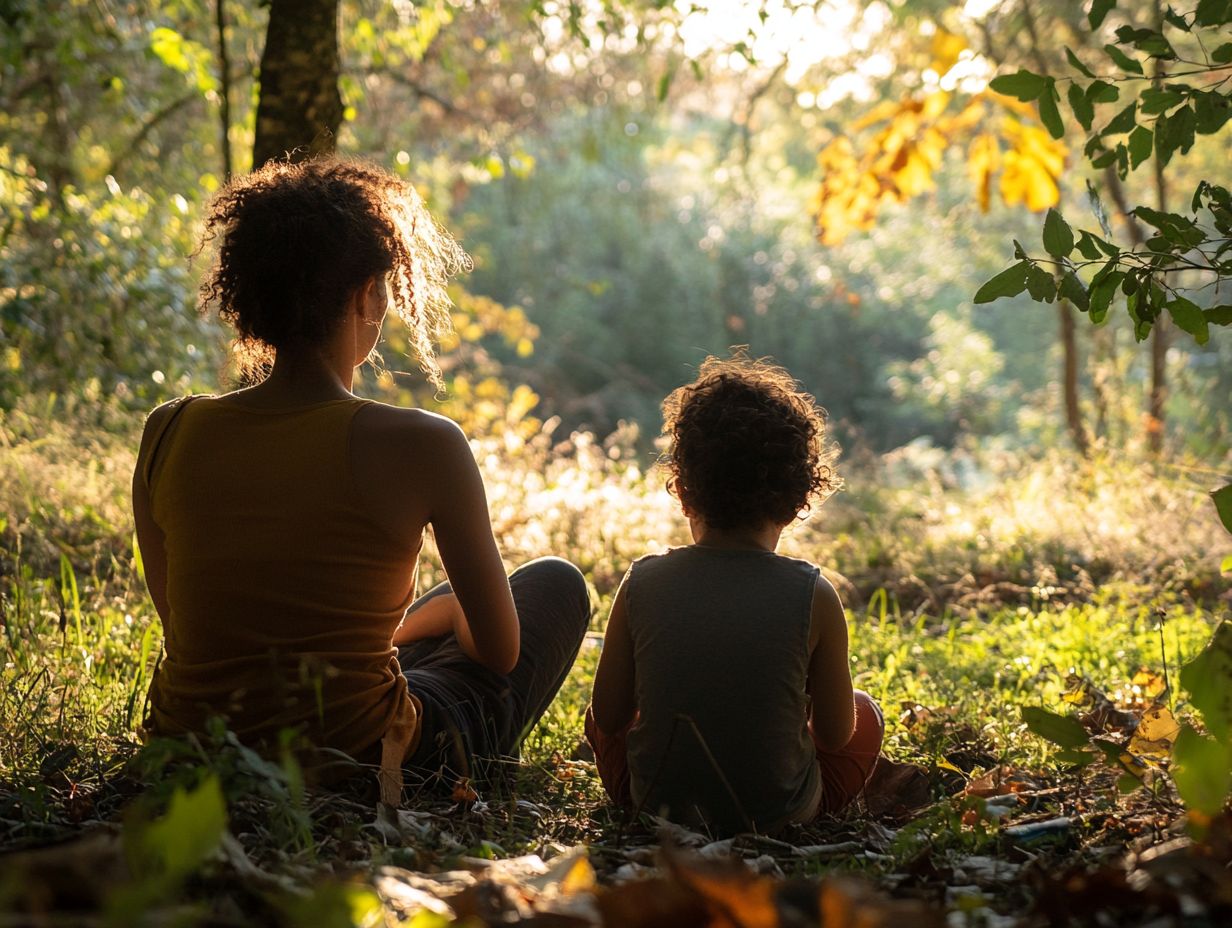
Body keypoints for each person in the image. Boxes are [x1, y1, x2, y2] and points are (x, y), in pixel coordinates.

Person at [132, 157, 590, 803]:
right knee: (555, 584)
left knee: (417, 641)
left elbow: (191, 624)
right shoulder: (424, 442)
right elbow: (498, 651)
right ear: (366, 295)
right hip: (358, 763)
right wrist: (451, 610)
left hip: (194, 756)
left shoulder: (169, 429)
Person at [585, 355, 884, 834]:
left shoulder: (641, 581)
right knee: (865, 713)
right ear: (798, 500)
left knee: (601, 720)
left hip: (655, 810)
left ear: (682, 491)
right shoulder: (815, 595)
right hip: (778, 820)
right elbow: (835, 734)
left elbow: (607, 715)